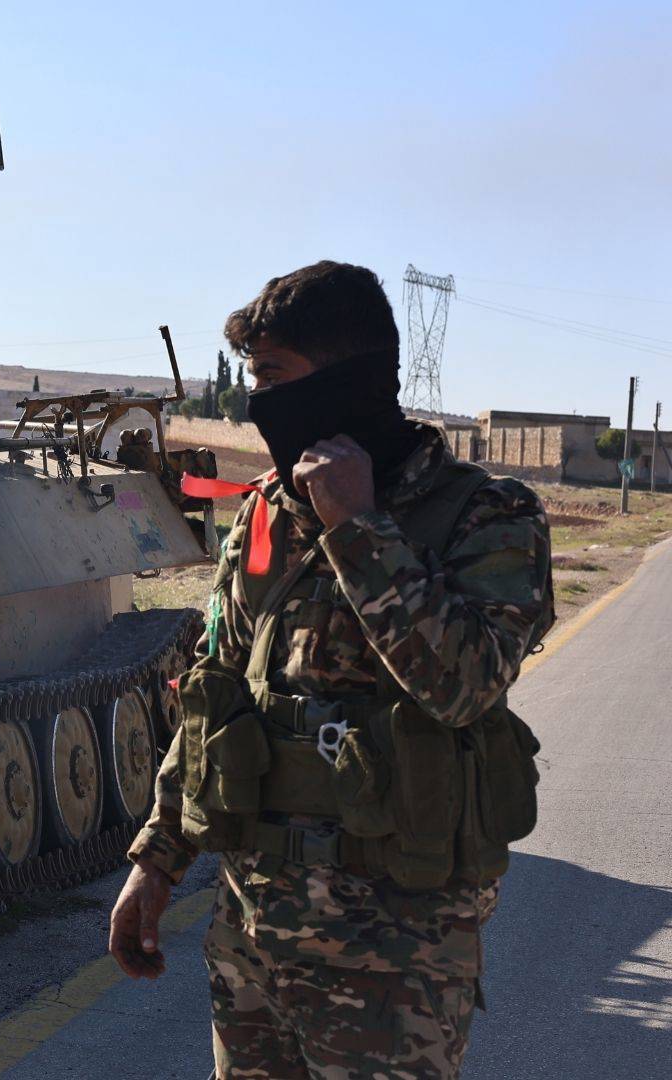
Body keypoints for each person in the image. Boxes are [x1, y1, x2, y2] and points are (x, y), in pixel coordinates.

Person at [108, 262, 553, 1078]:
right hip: (252, 939)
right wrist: (156, 860)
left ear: (351, 382)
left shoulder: (486, 513)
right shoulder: (267, 509)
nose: (258, 404)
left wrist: (359, 527)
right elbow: (215, 692)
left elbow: (464, 685)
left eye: (273, 378)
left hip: (396, 958)